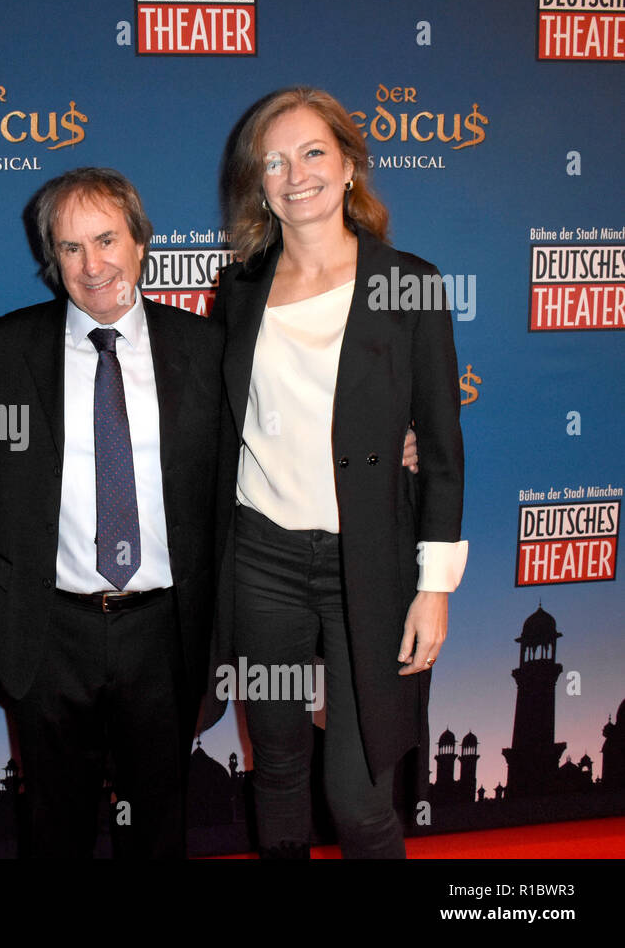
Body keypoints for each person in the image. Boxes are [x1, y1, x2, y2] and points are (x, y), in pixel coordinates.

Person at [210, 86, 467, 858]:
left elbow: (445, 449)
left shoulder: (407, 281)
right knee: (278, 767)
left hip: (372, 567)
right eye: (274, 162)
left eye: (313, 152)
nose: (295, 174)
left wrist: (436, 590)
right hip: (263, 566)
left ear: (350, 164)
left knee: (358, 798)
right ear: (260, 185)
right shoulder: (239, 290)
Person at [0, 167, 222, 858]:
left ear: (142, 242)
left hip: (165, 631)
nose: (93, 265)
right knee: (55, 830)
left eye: (107, 239)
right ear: (51, 260)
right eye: (71, 247)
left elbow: (268, 457)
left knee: (159, 830)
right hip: (48, 632)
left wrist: (397, 443)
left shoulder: (208, 350)